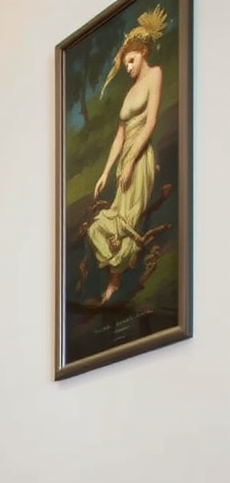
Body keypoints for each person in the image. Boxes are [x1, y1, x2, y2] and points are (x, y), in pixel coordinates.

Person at [87, 6, 167, 306]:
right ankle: (116, 279)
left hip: (141, 156)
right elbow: (119, 135)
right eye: (125, 65)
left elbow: (151, 122)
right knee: (102, 226)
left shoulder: (155, 75)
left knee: (126, 221)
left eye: (131, 61)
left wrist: (133, 160)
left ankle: (114, 285)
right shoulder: (128, 93)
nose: (129, 68)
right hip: (124, 162)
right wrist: (106, 172)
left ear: (143, 52)